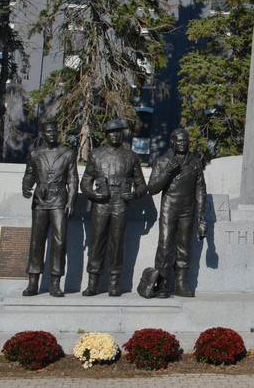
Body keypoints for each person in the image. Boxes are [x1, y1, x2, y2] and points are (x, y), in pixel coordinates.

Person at [80, 118, 148, 296]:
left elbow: (142, 185)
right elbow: (85, 182)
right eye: (112, 132)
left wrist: (133, 194)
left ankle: (114, 283)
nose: (116, 135)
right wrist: (94, 194)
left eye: (119, 132)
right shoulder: (95, 154)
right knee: (96, 243)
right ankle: (93, 283)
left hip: (120, 203)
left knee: (117, 243)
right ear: (106, 135)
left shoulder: (131, 156)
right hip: (101, 203)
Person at [144, 128, 207, 298]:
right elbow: (152, 189)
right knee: (164, 246)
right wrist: (167, 172)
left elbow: (200, 190)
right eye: (179, 141)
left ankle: (181, 284)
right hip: (169, 208)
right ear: (172, 142)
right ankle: (162, 284)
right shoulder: (162, 162)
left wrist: (201, 218)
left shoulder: (195, 163)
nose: (183, 144)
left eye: (185, 140)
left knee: (185, 246)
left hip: (188, 209)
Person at [21, 121, 78, 297]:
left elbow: (72, 179)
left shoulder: (68, 153)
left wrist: (71, 201)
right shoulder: (35, 153)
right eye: (49, 131)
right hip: (40, 199)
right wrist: (26, 185)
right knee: (37, 241)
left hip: (59, 198)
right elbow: (29, 173)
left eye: (55, 131)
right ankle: (33, 282)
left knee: (59, 241)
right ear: (43, 134)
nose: (52, 134)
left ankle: (55, 282)